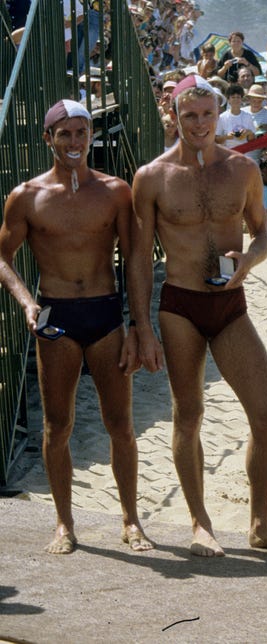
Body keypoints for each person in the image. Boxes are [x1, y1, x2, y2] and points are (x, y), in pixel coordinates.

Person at [129, 75, 267, 558]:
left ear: (218, 114)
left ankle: (262, 524)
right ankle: (199, 521)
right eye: (190, 116)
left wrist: (250, 262)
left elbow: (264, 234)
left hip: (231, 304)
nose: (200, 124)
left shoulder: (242, 170)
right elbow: (139, 258)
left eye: (207, 114)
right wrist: (142, 326)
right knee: (188, 415)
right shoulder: (152, 177)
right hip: (181, 304)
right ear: (174, 116)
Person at [0, 100, 153, 556]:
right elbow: (3, 258)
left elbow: (136, 260)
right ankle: (64, 523)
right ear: (48, 138)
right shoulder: (27, 196)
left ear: (91, 136)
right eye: (64, 134)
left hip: (106, 315)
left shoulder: (115, 191)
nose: (73, 142)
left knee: (120, 424)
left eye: (81, 133)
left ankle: (130, 519)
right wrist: (27, 303)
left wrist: (135, 323)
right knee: (58, 425)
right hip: (56, 317)